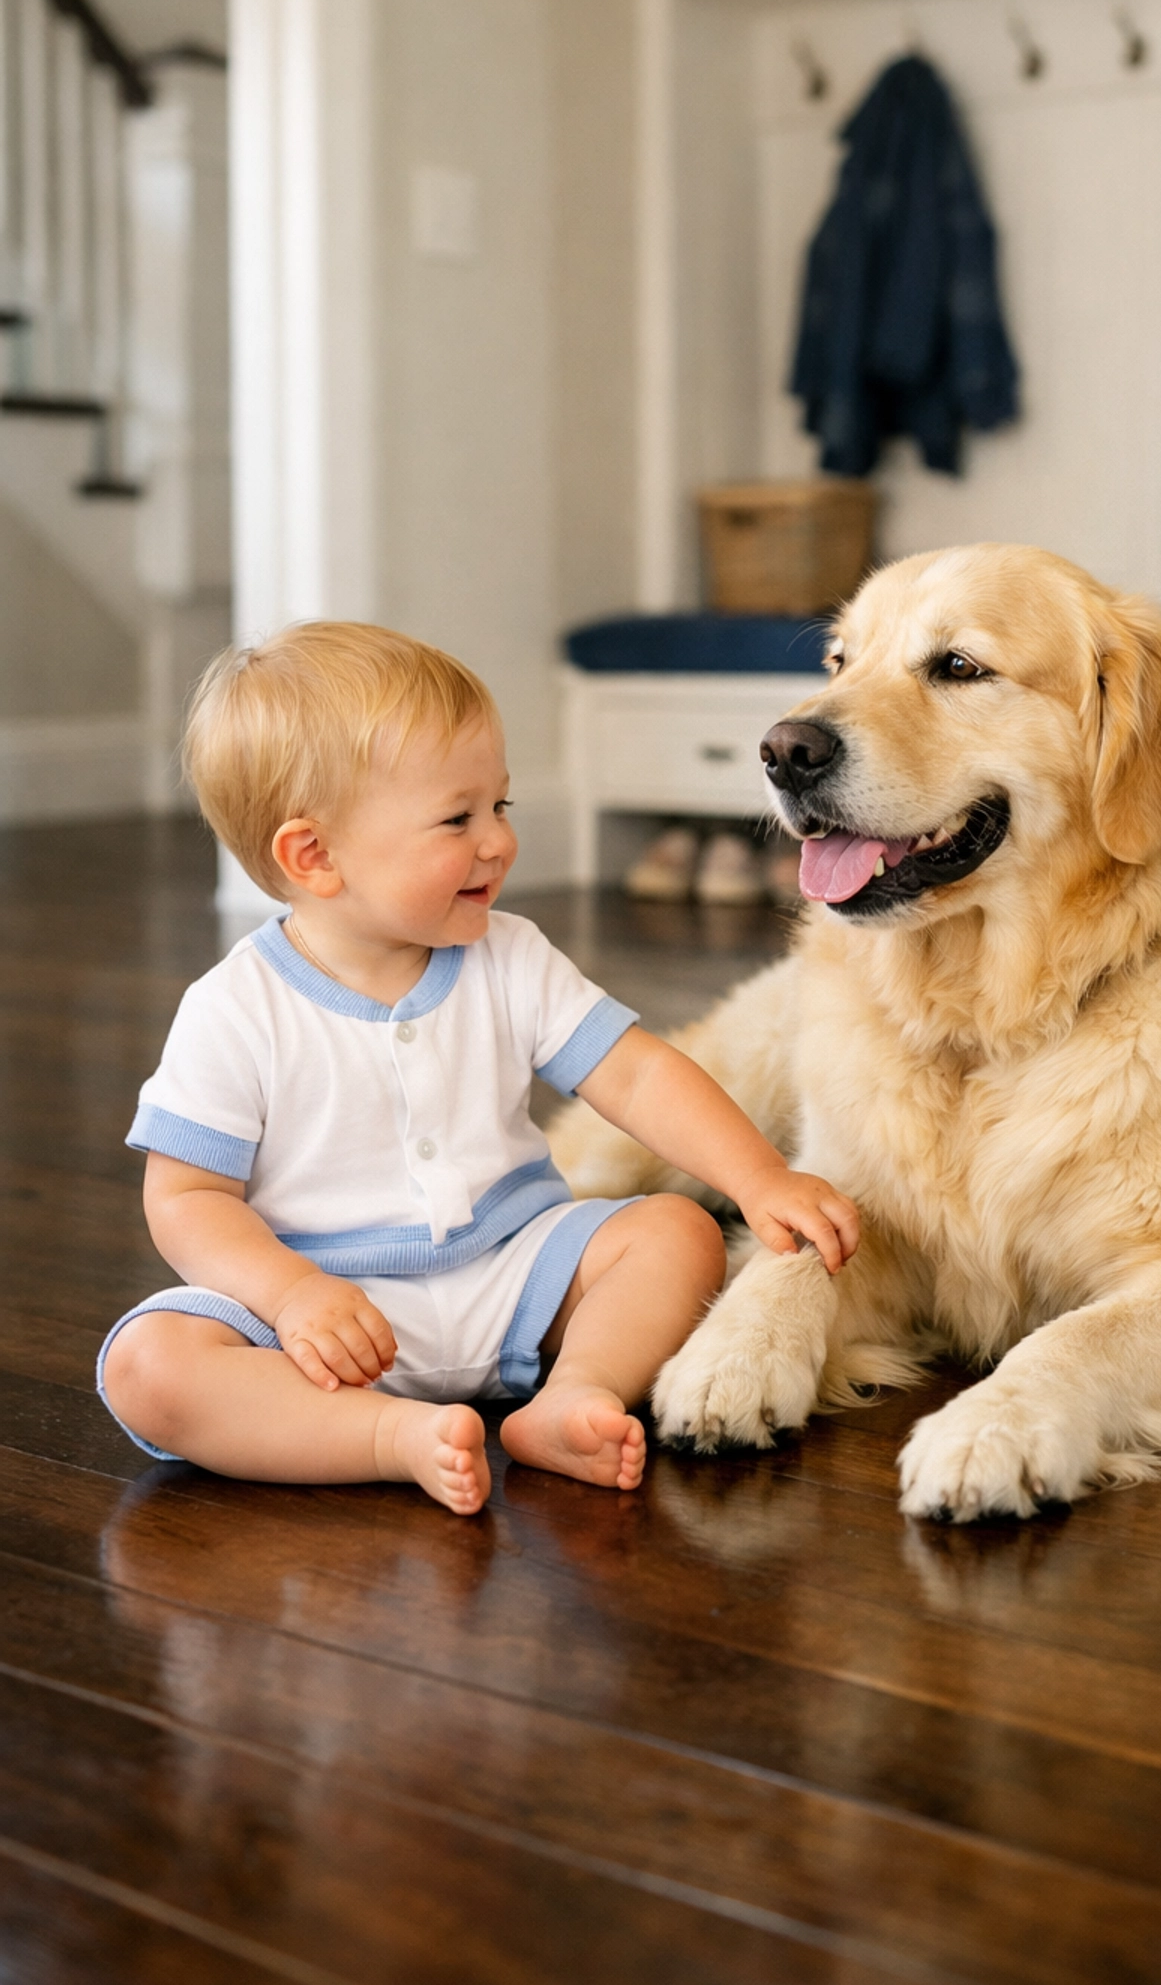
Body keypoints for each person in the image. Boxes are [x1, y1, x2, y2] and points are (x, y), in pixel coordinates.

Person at [98, 622, 858, 1516]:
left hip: (516, 1272)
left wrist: (758, 1177)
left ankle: (575, 1392)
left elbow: (638, 1076)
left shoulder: (510, 955)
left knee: (678, 1233)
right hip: (323, 1315)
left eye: (501, 805)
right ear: (315, 856)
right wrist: (292, 1294)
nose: (498, 841)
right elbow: (186, 1198)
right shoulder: (233, 1009)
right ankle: (384, 1437)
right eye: (458, 819)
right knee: (148, 1366)